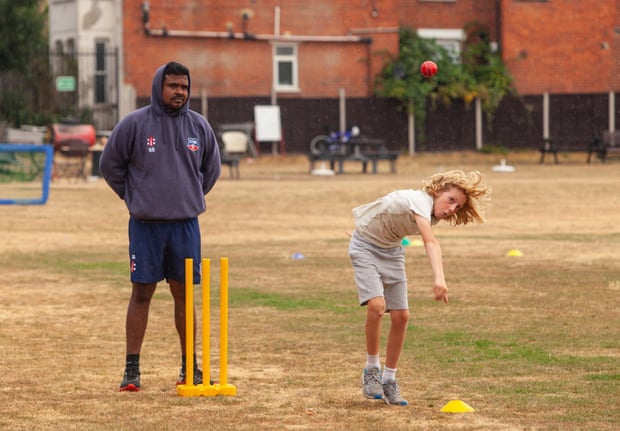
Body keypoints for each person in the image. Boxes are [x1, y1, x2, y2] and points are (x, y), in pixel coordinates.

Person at [99, 61, 221, 392]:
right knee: (142, 293)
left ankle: (189, 368)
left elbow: (211, 169)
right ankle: (132, 371)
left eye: (184, 86)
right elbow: (109, 164)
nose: (179, 92)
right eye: (173, 86)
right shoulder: (135, 124)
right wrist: (133, 196)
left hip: (185, 226)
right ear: (159, 87)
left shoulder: (199, 126)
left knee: (184, 296)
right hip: (145, 226)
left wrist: (188, 195)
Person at [349, 170, 490, 405]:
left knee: (402, 316)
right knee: (376, 306)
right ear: (437, 192)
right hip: (364, 247)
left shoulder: (430, 213)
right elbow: (430, 241)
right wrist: (439, 279)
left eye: (458, 207)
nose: (452, 209)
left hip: (392, 252)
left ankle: (389, 380)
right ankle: (371, 370)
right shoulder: (419, 201)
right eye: (451, 200)